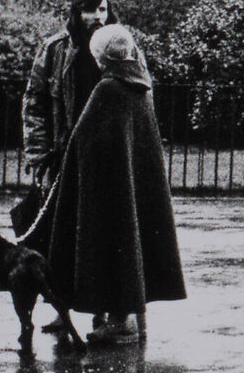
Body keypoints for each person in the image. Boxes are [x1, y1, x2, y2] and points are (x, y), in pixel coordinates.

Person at [40, 23, 186, 345]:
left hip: (108, 190)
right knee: (132, 244)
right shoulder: (140, 85)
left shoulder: (109, 89)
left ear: (101, 57)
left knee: (115, 244)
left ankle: (121, 323)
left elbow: (84, 139)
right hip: (129, 184)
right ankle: (135, 318)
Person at [23, 0, 110, 186]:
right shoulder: (55, 49)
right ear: (77, 13)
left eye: (102, 10)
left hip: (108, 148)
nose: (97, 16)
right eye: (90, 10)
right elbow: (35, 104)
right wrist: (38, 157)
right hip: (66, 149)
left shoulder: (120, 48)